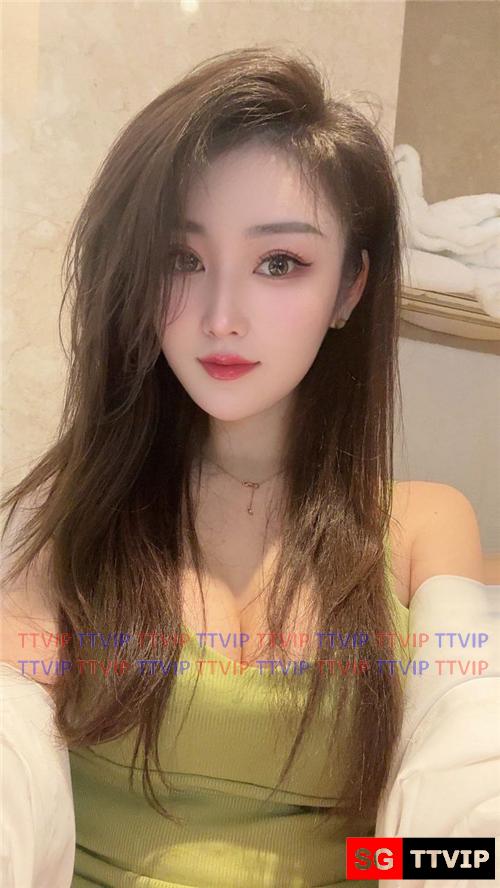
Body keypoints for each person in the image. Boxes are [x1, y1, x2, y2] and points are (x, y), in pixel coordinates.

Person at [0, 46, 485, 887]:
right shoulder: (77, 516)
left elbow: (467, 794)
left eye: (280, 263)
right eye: (181, 259)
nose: (221, 316)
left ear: (349, 288)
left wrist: (363, 869)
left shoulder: (421, 526)